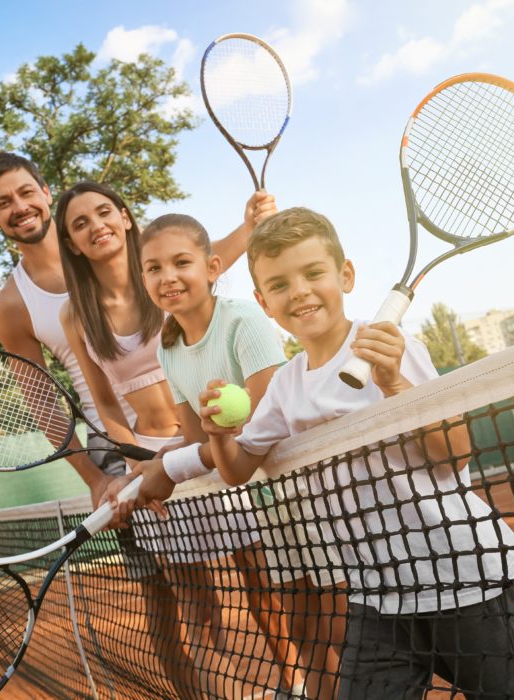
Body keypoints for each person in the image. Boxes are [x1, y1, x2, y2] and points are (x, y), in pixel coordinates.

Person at [122, 207, 514, 699]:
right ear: (263, 301)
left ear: (345, 276)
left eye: (313, 273)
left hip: (460, 580)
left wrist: (394, 383)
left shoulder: (392, 347)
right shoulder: (284, 386)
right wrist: (217, 433)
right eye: (278, 285)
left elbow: (456, 454)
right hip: (375, 596)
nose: (297, 291)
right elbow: (237, 469)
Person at [0, 152, 264, 698]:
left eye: (25, 192)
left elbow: (201, 264)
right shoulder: (16, 304)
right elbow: (44, 402)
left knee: (256, 568)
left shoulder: (134, 256)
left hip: (197, 425)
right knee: (168, 594)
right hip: (118, 450)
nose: (19, 208)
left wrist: (249, 227)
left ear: (44, 190)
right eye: (3, 203)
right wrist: (96, 477)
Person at [53, 181, 278, 693]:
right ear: (70, 242)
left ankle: (297, 684)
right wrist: (137, 463)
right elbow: (104, 401)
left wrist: (251, 221)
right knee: (196, 603)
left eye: (104, 212)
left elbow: (205, 256)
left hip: (211, 441)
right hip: (157, 458)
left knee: (263, 580)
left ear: (126, 217)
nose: (96, 226)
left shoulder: (162, 274)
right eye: (79, 223)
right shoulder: (75, 312)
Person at [127, 212, 343, 700]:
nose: (168, 277)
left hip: (314, 495)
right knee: (306, 629)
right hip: (269, 507)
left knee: (343, 632)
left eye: (182, 262)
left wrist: (171, 467)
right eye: (154, 268)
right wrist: (149, 470)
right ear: (143, 280)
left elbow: (264, 424)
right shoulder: (169, 348)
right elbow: (191, 436)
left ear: (213, 267)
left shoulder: (243, 319)